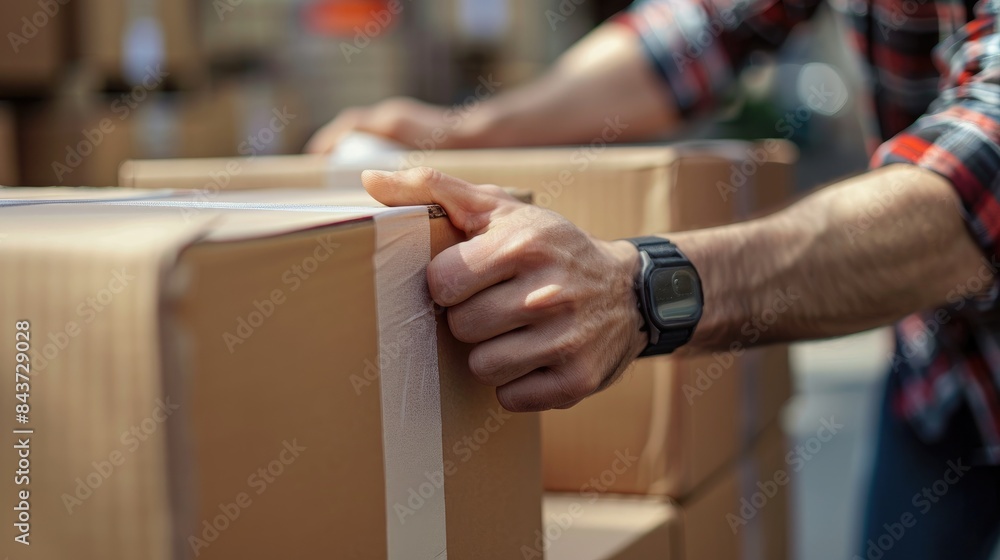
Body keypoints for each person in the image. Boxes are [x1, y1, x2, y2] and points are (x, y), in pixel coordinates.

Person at [307, 1, 1000, 558]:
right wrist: (466, 131)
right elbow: (692, 31)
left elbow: (973, 192)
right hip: (940, 376)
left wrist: (641, 289)